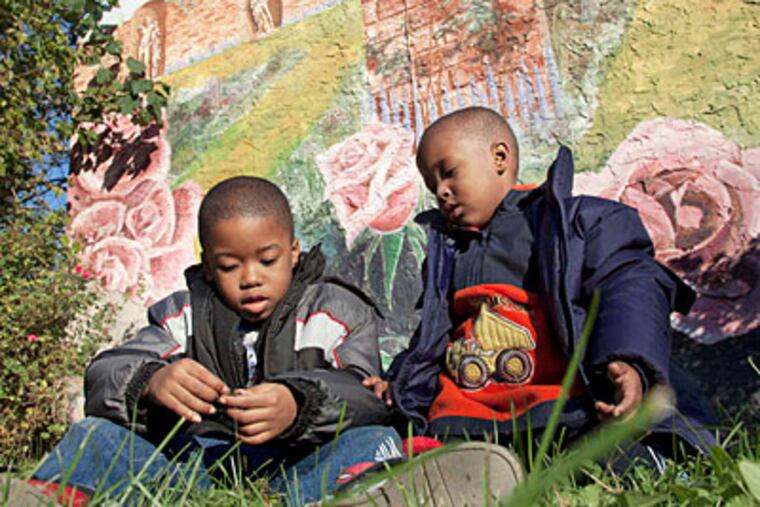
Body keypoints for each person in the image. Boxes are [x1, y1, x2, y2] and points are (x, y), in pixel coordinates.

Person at [13, 176, 403, 506]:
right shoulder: (181, 315)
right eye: (230, 266)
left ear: (293, 252)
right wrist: (150, 382)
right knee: (95, 436)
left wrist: (299, 404)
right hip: (197, 462)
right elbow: (105, 373)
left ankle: (343, 495)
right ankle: (47, 497)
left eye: (267, 260)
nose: (250, 278)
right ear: (209, 266)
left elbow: (366, 396)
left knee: (374, 441)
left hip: (303, 461)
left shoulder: (334, 309)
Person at [364, 107, 715, 467]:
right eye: (431, 184)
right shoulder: (448, 253)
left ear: (499, 157)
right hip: (468, 421)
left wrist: (630, 360)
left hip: (564, 411)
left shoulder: (575, 224)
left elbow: (629, 284)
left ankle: (655, 464)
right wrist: (398, 382)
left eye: (449, 173)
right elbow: (434, 338)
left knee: (609, 458)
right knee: (442, 468)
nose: (441, 191)